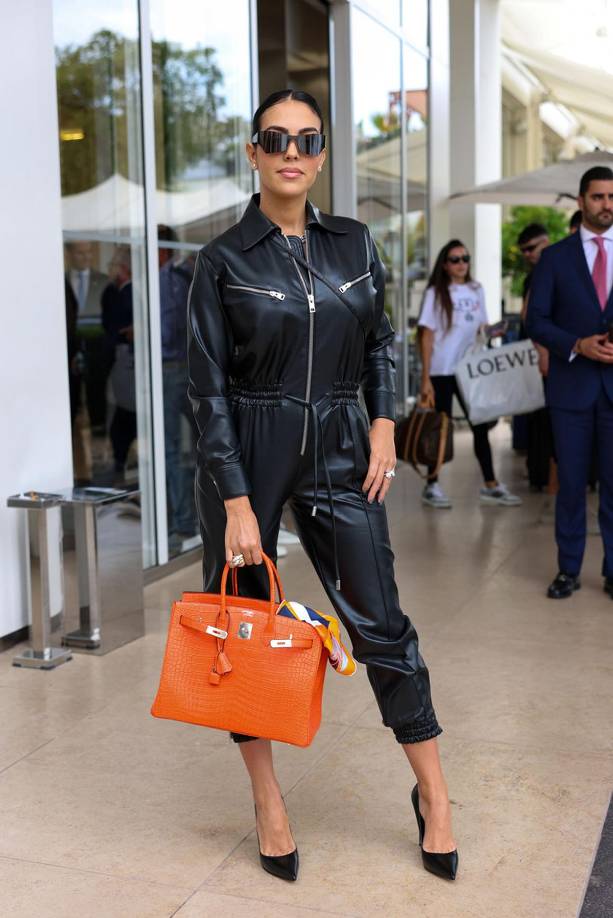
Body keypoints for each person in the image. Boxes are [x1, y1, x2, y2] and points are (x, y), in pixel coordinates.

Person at [187, 89, 458, 882]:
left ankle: (434, 797)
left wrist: (383, 423)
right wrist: (236, 499)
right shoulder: (224, 260)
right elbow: (204, 393)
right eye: (275, 139)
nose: (291, 151)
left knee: (382, 622)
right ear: (253, 152)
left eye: (306, 139)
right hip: (252, 447)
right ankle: (268, 800)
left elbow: (378, 340)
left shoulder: (354, 243)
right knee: (241, 631)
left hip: (344, 444)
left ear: (322, 153)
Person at [527, 165, 613, 599]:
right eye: (598, 197)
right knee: (572, 486)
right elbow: (536, 321)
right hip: (571, 391)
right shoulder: (555, 258)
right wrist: (577, 343)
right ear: (582, 201)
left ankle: (612, 571)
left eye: (612, 197)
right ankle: (569, 570)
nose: (607, 205)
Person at [418, 240, 522, 509]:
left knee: (480, 425)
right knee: (440, 429)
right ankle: (432, 484)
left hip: (470, 369)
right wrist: (425, 378)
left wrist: (494, 330)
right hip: (442, 370)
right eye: (455, 259)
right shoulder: (435, 293)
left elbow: (481, 329)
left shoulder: (477, 289)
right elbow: (427, 336)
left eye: (465, 258)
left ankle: (490, 485)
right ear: (444, 264)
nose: (461, 263)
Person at [517, 224, 555, 492]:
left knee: (546, 418)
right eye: (523, 251)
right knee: (538, 417)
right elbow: (527, 317)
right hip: (535, 356)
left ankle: (547, 476)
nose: (527, 254)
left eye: (532, 248)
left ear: (546, 242)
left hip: (548, 355)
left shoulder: (551, 270)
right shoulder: (535, 275)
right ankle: (541, 475)